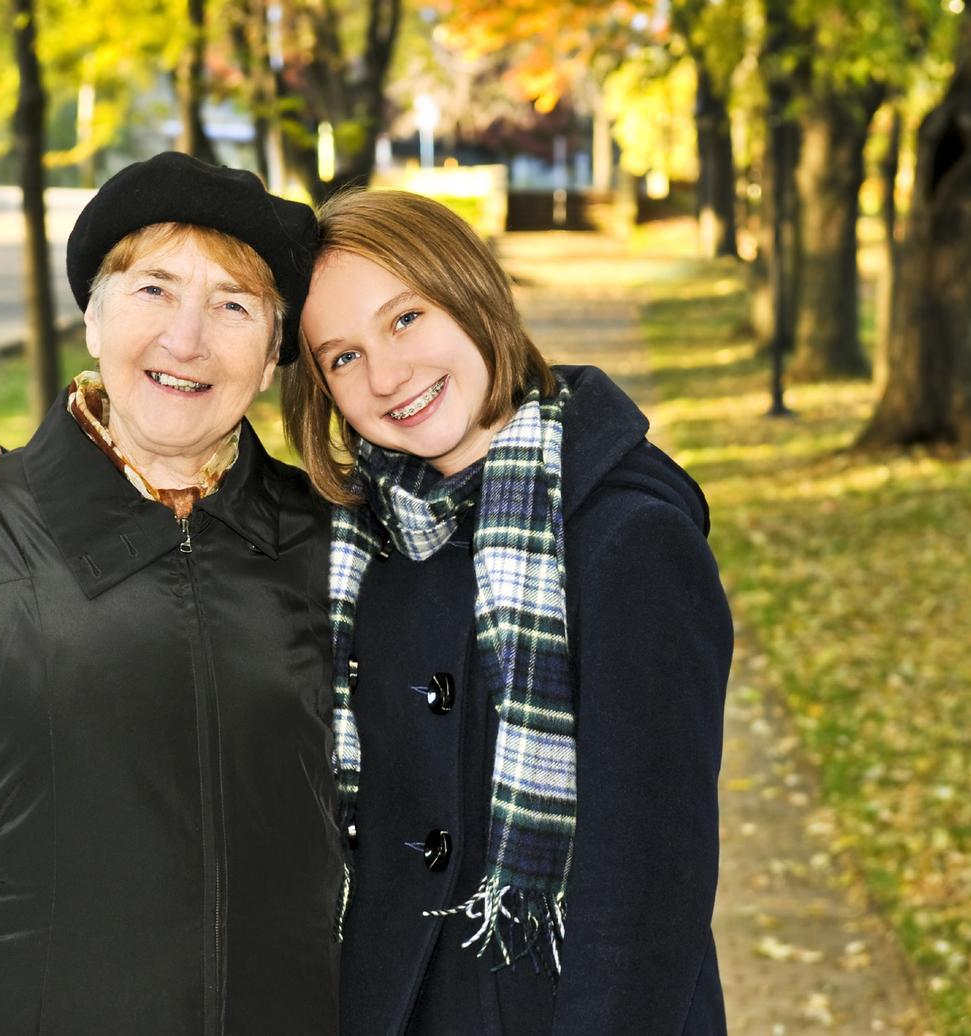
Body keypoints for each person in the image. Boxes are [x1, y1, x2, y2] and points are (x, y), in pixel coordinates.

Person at [284, 189, 733, 1035]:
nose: (386, 376)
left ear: (473, 291)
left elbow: (649, 892)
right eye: (341, 357)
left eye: (406, 319)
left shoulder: (628, 540)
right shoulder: (358, 542)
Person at [0, 153, 340, 1034]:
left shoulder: (336, 543)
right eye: (153, 289)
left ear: (270, 356)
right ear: (93, 318)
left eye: (233, 305)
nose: (187, 340)